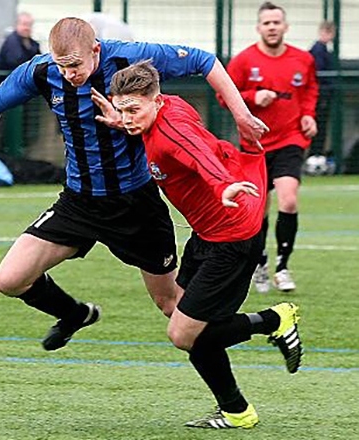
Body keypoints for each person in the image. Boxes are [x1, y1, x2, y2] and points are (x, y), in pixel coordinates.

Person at [0, 17, 268, 352]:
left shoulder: (127, 58)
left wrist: (241, 114)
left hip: (135, 206)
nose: (69, 74)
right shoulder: (41, 71)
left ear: (95, 49)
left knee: (175, 310)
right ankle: (74, 315)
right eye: (63, 67)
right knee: (10, 280)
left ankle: (265, 329)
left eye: (75, 65)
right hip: (79, 203)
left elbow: (204, 60)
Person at [104, 59, 302, 429]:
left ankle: (275, 320)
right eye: (121, 110)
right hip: (209, 232)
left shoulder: (170, 132)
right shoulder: (170, 106)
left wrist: (222, 184)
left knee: (183, 333)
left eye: (134, 110)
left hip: (232, 234)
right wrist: (123, 119)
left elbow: (198, 153)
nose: (127, 118)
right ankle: (236, 410)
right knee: (182, 315)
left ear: (157, 101)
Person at [223, 2, 318, 293]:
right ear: (258, 28)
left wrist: (308, 114)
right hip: (255, 144)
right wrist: (252, 96)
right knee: (258, 209)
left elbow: (310, 90)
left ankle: (282, 267)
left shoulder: (303, 60)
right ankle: (260, 263)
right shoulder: (242, 61)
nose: (272, 27)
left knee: (288, 200)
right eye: (267, 23)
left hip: (291, 139)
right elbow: (223, 95)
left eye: (277, 22)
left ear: (285, 27)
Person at [309, 20, 336, 160]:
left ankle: (316, 154)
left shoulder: (322, 49)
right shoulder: (319, 50)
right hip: (321, 94)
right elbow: (319, 72)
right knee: (319, 125)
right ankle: (315, 154)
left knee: (320, 126)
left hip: (323, 92)